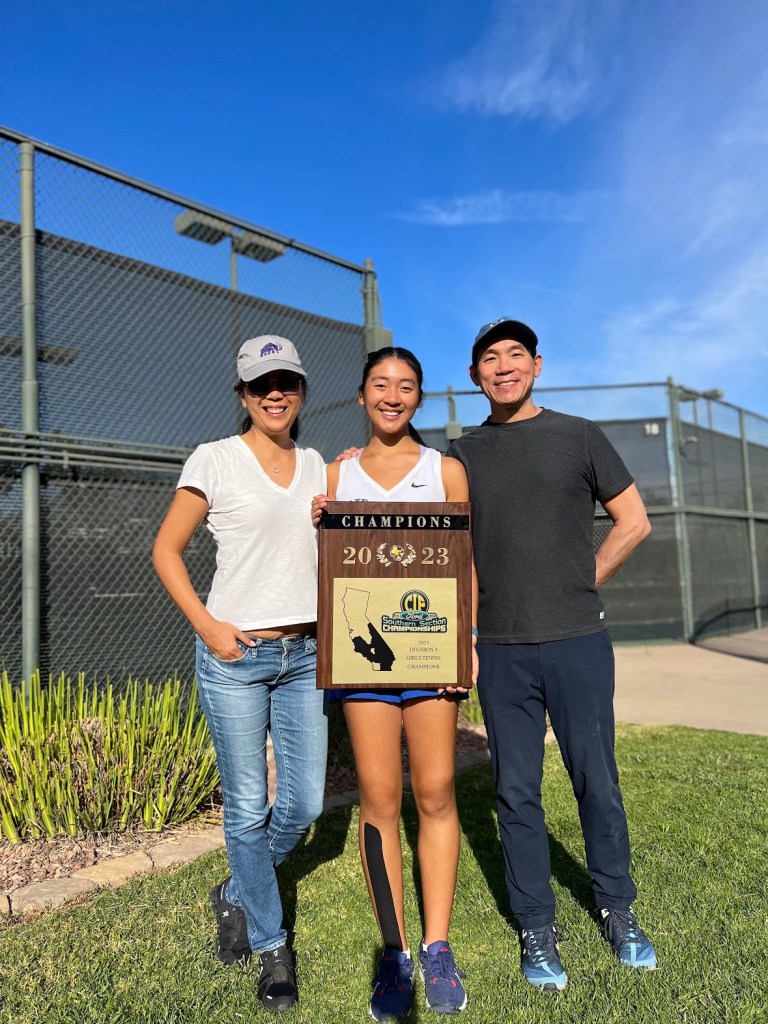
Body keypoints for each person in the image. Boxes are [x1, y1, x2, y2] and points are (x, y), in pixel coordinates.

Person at [446, 317, 656, 992]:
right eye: (489, 358)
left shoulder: (580, 435)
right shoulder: (460, 455)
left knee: (597, 780)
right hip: (500, 650)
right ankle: (536, 927)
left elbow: (634, 521)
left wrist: (580, 581)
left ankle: (616, 907)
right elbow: (440, 540)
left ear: (537, 365)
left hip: (578, 643)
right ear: (475, 376)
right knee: (515, 791)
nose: (503, 366)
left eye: (515, 354)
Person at [153, 335, 327, 1013]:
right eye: (261, 385)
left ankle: (234, 889)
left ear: (302, 391)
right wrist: (208, 626)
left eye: (286, 382)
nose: (274, 394)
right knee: (248, 807)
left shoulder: (317, 465)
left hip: (305, 655)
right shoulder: (215, 458)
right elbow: (167, 550)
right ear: (244, 395)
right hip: (236, 658)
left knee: (304, 805)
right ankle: (271, 946)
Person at [312, 347, 474, 1020]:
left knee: (434, 792)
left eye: (406, 385)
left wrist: (464, 647)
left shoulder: (445, 470)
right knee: (379, 800)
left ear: (419, 399)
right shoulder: (337, 472)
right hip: (363, 659)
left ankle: (437, 947)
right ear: (362, 396)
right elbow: (328, 567)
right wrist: (320, 522)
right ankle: (395, 952)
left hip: (431, 651)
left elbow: (462, 562)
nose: (392, 394)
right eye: (380, 383)